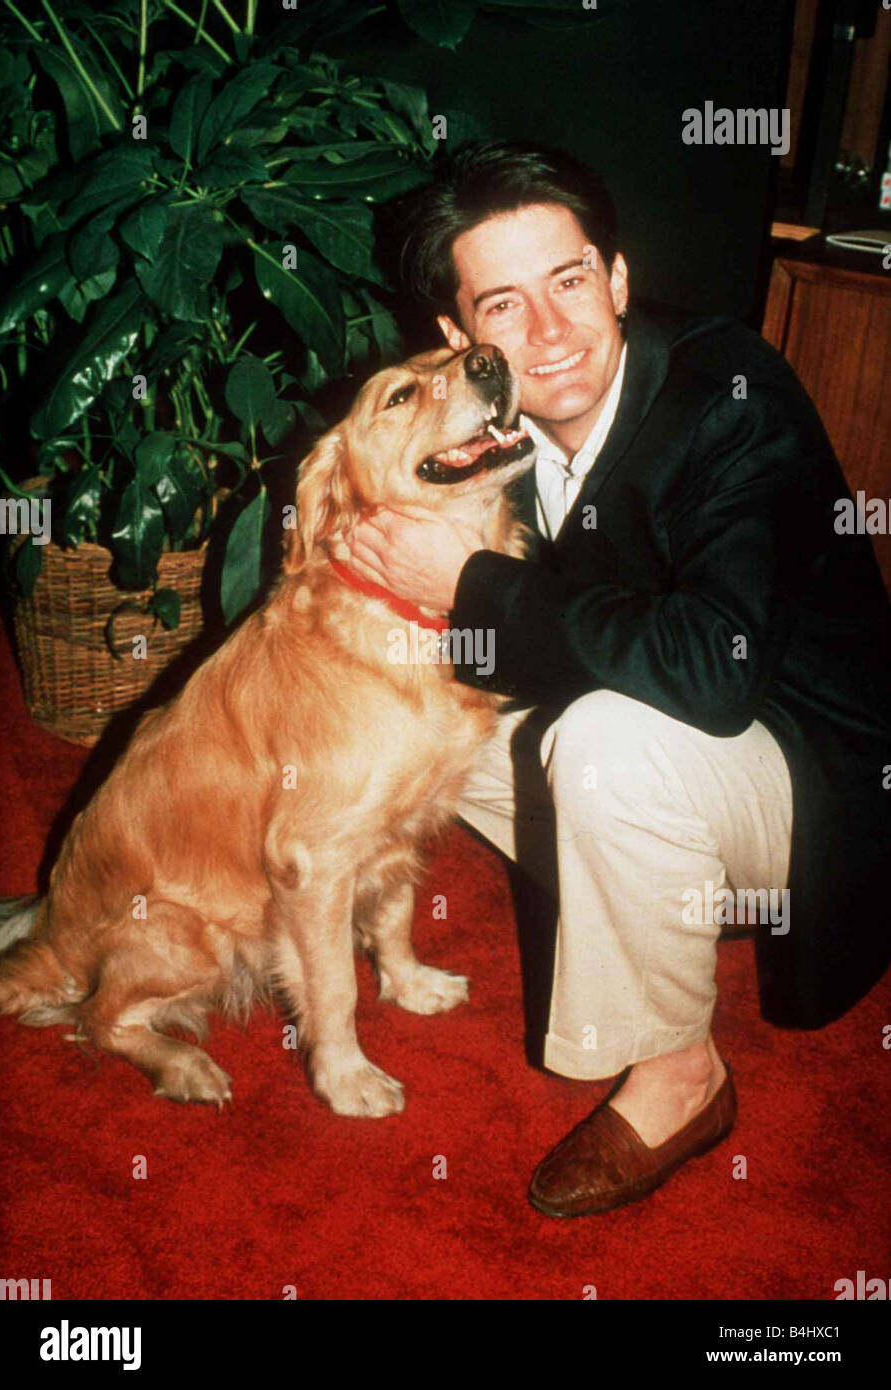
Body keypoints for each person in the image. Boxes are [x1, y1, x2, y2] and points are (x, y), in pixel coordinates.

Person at [329, 141, 891, 1217]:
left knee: (599, 746)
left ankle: (682, 1075)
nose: (547, 331)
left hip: (822, 779)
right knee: (449, 719)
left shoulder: (729, 398)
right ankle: (637, 890)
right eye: (503, 304)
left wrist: (474, 582)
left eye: (571, 280)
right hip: (690, 748)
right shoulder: (495, 432)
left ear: (618, 279)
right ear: (460, 338)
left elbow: (712, 675)